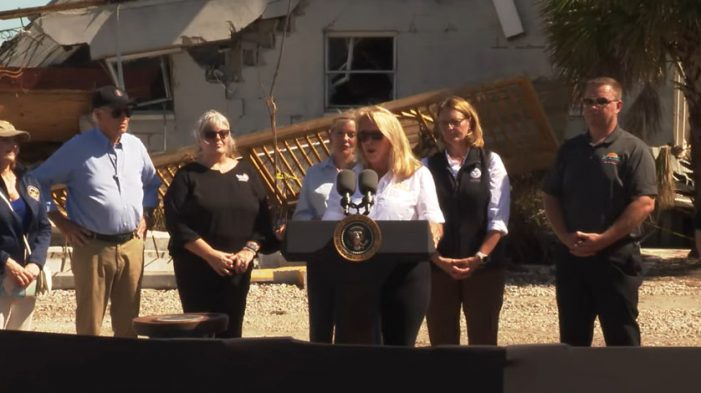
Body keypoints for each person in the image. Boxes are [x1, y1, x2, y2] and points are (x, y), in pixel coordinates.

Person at [32, 86, 161, 337]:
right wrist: (62, 222)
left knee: (129, 323)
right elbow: (34, 183)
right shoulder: (77, 148)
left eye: (129, 111)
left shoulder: (135, 146)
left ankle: (125, 372)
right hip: (92, 246)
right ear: (97, 116)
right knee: (90, 324)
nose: (124, 118)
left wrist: (146, 214)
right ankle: (90, 374)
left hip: (131, 245)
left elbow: (152, 183)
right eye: (117, 112)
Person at [542, 77, 657, 346]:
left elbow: (644, 202)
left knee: (621, 339)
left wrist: (603, 240)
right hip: (573, 257)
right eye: (589, 101)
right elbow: (550, 195)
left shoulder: (633, 149)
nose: (594, 107)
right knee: (572, 340)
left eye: (602, 101)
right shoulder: (570, 150)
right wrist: (564, 236)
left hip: (615, 259)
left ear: (617, 105)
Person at [323, 106, 444, 346]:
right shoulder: (349, 178)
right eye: (363, 135)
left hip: (405, 275)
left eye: (376, 135)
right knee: (360, 351)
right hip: (357, 275)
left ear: (392, 137)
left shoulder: (417, 175)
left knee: (398, 350)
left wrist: (431, 237)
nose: (368, 141)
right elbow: (330, 223)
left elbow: (434, 220)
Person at [164, 110, 279, 338]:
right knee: (199, 333)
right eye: (210, 134)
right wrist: (211, 256)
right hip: (196, 268)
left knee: (231, 330)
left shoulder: (247, 172)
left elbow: (264, 220)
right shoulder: (187, 176)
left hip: (238, 267)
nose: (218, 138)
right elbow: (176, 223)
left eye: (223, 133)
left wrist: (249, 250)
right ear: (199, 139)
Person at [424, 96, 510, 346]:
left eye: (455, 121)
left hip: (484, 268)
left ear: (470, 123)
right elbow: (422, 216)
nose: (450, 128)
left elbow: (499, 217)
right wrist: (437, 259)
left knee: (483, 339)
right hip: (439, 268)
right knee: (442, 341)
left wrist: (479, 257)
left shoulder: (490, 162)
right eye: (443, 124)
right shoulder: (427, 166)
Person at [292, 116, 356, 343]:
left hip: (358, 257)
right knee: (321, 323)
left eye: (351, 134)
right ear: (330, 136)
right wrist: (317, 225)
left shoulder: (367, 173)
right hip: (323, 256)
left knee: (353, 324)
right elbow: (302, 215)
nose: (345, 139)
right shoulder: (315, 173)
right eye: (340, 133)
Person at [0, 121, 52, 330]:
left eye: (16, 141)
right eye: (5, 141)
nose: (13, 145)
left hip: (26, 278)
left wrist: (35, 264)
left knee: (19, 343)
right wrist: (7, 263)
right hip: (4, 271)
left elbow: (43, 227)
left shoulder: (28, 180)